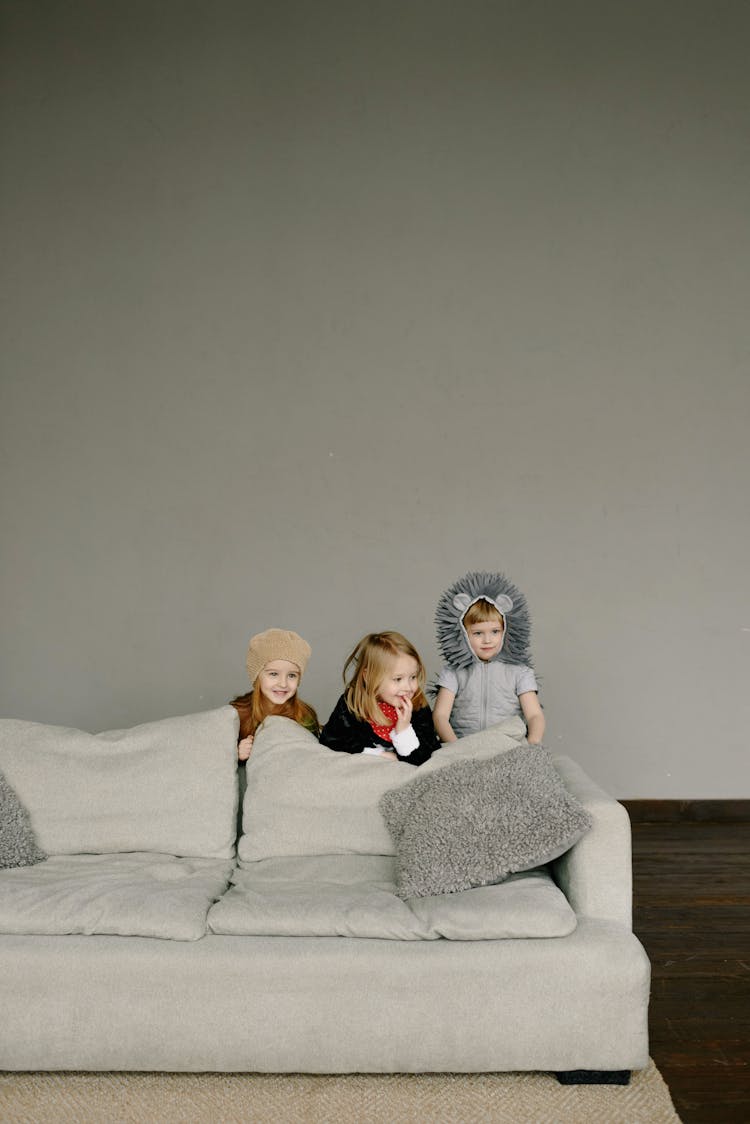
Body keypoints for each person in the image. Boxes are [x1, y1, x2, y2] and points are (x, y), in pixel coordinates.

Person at [432, 571, 545, 745]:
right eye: (478, 633)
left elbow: (534, 715)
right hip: (463, 744)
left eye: (495, 631)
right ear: (463, 634)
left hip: (508, 746)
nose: (487, 640)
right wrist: (456, 747)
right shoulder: (453, 672)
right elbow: (440, 716)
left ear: (506, 631)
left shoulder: (520, 672)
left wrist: (533, 743)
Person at [319, 631, 441, 765]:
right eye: (398, 679)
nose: (408, 687)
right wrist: (378, 755)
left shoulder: (417, 704)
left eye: (413, 677)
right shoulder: (352, 703)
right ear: (369, 676)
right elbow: (331, 742)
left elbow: (427, 756)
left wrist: (404, 731)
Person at [230, 628, 319, 761]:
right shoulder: (237, 714)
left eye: (292, 675)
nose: (283, 683)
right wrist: (236, 754)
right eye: (273, 674)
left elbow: (313, 758)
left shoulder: (304, 717)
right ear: (256, 677)